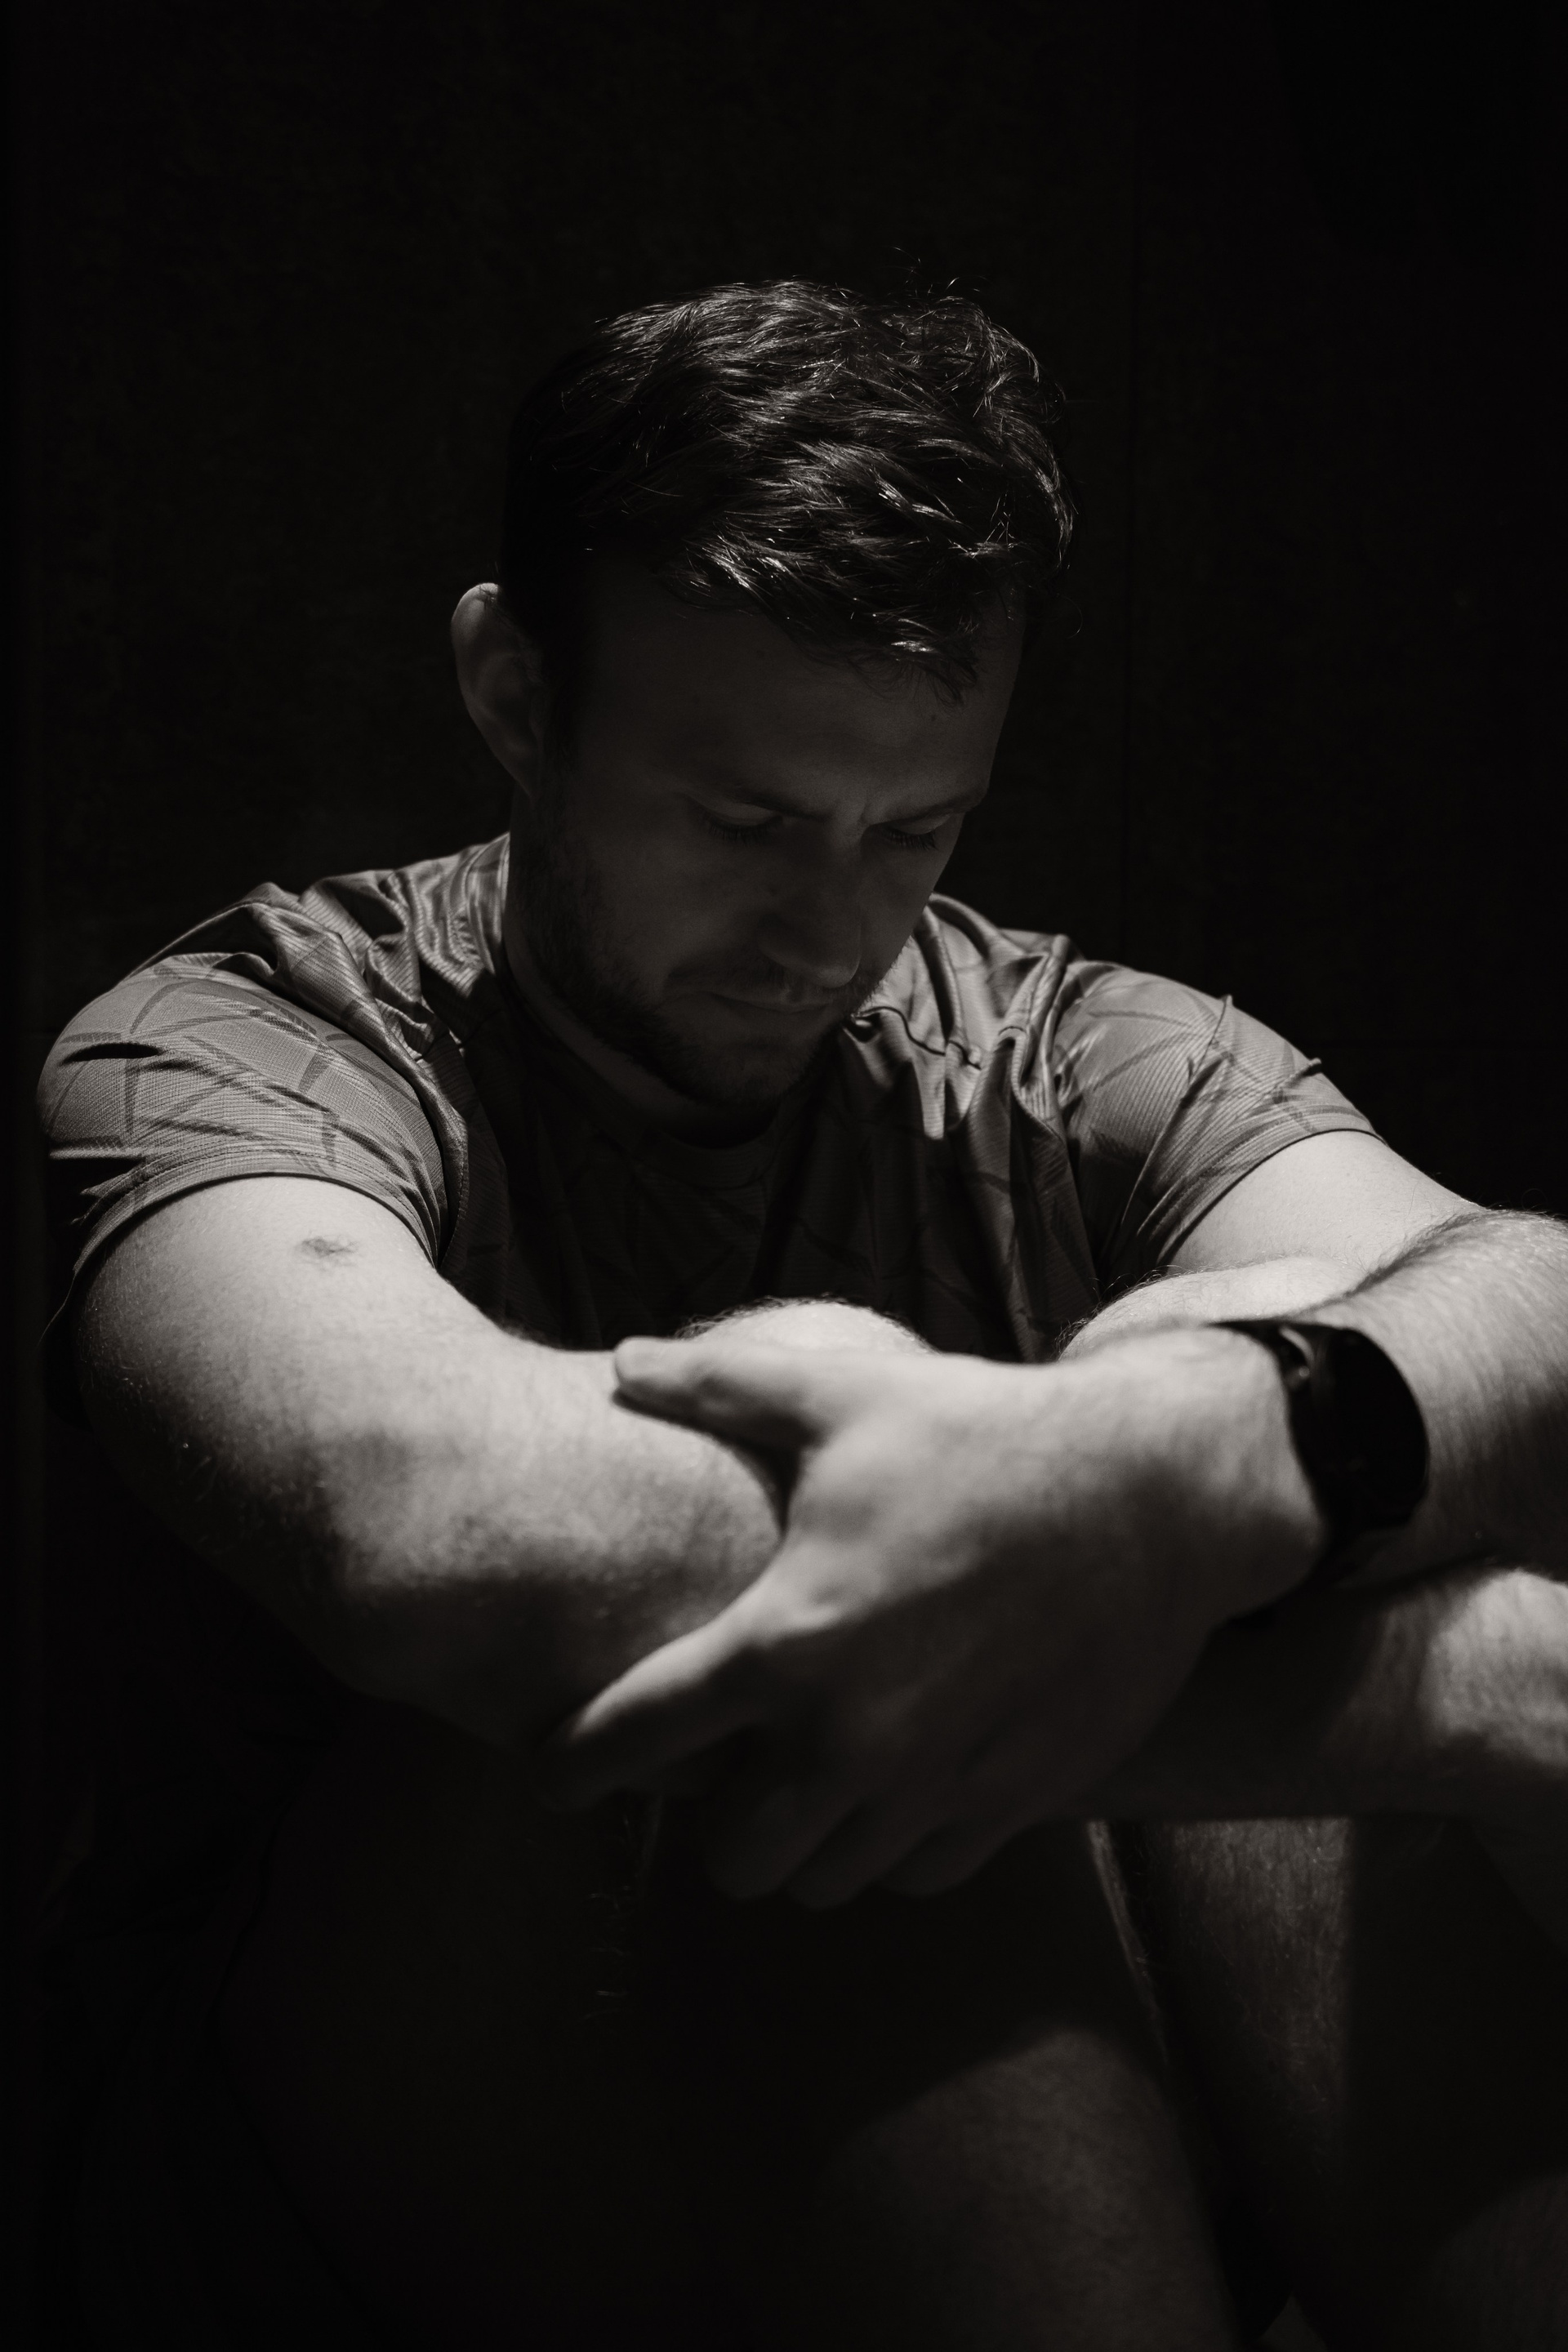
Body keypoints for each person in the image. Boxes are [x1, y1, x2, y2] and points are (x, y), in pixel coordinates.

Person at [38, 278, 1568, 2351]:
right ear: (515, 691)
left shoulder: (1063, 1046)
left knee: (1290, 1342)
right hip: (346, 2155)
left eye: (914, 830)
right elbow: (429, 1523)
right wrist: (1465, 1700)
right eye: (745, 821)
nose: (831, 930)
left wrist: (1217, 1442)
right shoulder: (242, 1040)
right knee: (825, 1503)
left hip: (1010, 2104)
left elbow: (1533, 1313)